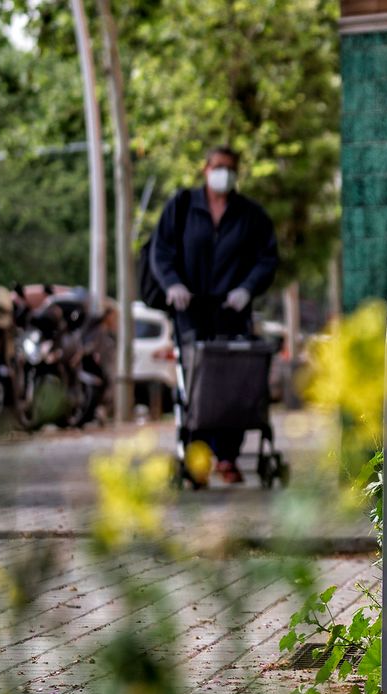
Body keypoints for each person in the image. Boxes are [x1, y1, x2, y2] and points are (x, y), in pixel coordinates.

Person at [151, 145, 278, 484]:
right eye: (220, 166)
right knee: (195, 379)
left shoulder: (250, 215)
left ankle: (228, 455)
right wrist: (173, 284)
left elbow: (267, 259)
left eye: (232, 168)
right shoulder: (181, 207)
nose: (226, 173)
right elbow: (160, 252)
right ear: (206, 169)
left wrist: (247, 289)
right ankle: (197, 455)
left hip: (231, 311)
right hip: (189, 310)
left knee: (231, 380)